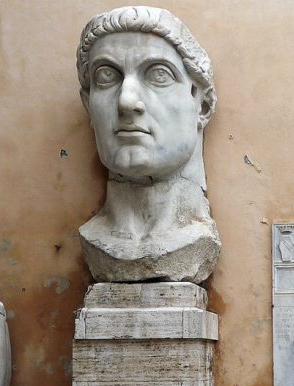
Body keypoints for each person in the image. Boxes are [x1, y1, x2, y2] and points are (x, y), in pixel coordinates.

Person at [76, 6, 221, 284]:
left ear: (200, 104)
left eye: (158, 75)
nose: (127, 102)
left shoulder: (195, 239)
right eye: (107, 76)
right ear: (88, 104)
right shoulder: (93, 239)